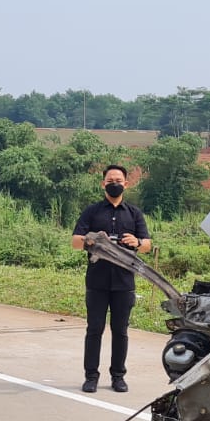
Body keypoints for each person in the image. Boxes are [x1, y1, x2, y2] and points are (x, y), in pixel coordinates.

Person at [70, 164, 150, 394]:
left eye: (118, 179)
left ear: (126, 184)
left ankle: (118, 376)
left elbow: (147, 244)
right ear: (103, 183)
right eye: (110, 180)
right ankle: (91, 377)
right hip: (97, 281)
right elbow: (75, 242)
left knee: (120, 331)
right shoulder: (92, 212)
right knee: (94, 329)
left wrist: (137, 242)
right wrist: (91, 240)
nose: (114, 183)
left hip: (124, 283)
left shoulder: (134, 213)